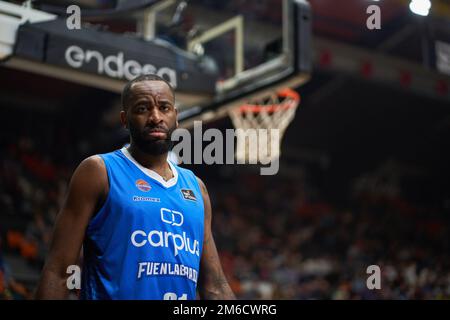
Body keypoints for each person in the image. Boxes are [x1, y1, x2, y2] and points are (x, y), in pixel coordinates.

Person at [35, 74, 235, 300]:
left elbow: (215, 285)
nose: (155, 117)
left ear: (176, 117)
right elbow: (58, 271)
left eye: (164, 108)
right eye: (142, 109)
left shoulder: (197, 188)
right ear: (125, 119)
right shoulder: (98, 171)